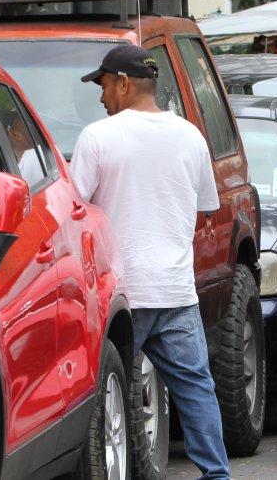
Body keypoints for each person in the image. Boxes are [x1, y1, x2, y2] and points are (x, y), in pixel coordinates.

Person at [70, 44, 230, 480]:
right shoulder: (191, 136)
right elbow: (205, 209)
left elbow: (71, 210)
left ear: (123, 83)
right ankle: (217, 476)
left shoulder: (97, 138)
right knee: (197, 388)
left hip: (122, 294)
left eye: (103, 86)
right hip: (176, 289)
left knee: (108, 394)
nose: (100, 98)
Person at [2, 111, 45, 188]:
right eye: (28, 124)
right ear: (16, 135)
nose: (33, 126)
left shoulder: (39, 152)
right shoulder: (35, 155)